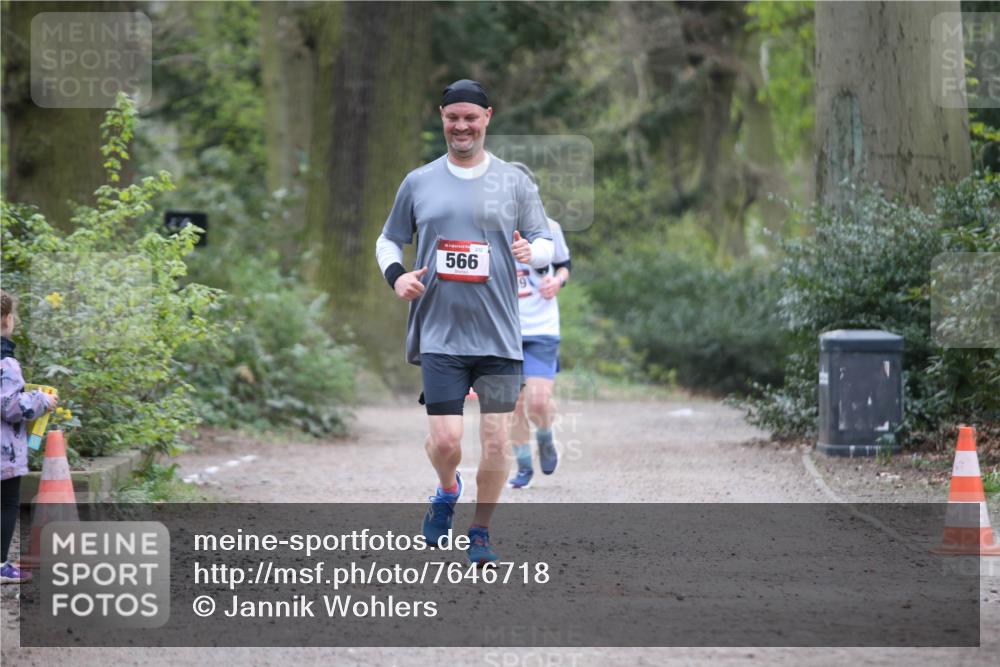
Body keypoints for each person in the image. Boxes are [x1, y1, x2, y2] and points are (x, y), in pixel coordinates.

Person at [375, 79, 553, 564]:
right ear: (442, 117)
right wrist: (396, 277)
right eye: (453, 117)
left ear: (487, 118)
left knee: (495, 441)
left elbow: (545, 242)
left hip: (497, 334)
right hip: (439, 332)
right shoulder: (419, 181)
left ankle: (480, 530)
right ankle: (446, 489)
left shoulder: (515, 181)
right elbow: (388, 240)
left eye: (470, 118)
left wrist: (529, 250)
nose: (462, 126)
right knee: (446, 441)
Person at [506, 162, 571, 489]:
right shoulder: (488, 229)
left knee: (538, 401)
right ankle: (522, 466)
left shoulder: (549, 227)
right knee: (512, 404)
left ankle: (545, 438)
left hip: (542, 327)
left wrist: (557, 282)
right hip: (502, 330)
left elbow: (563, 264)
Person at [1, 290, 58, 584]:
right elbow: (11, 406)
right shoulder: (6, 364)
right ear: (8, 319)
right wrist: (41, 400)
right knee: (7, 504)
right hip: (4, 452)